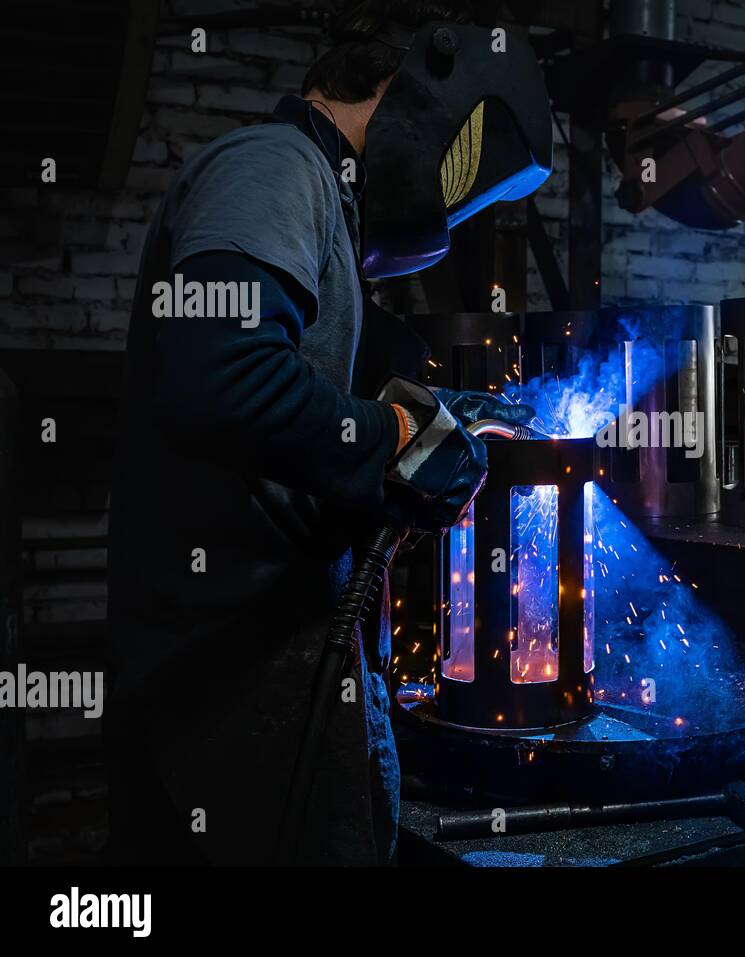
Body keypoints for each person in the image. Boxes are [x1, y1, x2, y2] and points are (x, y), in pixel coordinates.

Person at [106, 0, 547, 865]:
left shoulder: (322, 210)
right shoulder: (274, 168)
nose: (450, 204)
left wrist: (433, 420)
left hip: (281, 664)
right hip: (229, 678)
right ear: (396, 88)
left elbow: (297, 412)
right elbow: (223, 378)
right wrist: (392, 437)